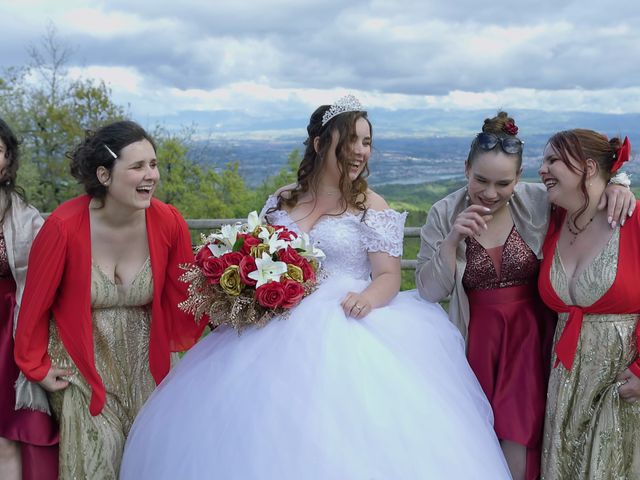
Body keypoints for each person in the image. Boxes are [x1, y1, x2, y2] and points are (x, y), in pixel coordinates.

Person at [120, 96, 512, 479]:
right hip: (274, 327)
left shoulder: (371, 206)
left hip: (349, 323)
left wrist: (367, 299)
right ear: (321, 143)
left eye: (367, 141)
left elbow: (389, 277)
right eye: (351, 140)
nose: (361, 151)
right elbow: (260, 260)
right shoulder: (281, 201)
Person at [415, 112, 635, 480]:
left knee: (522, 434)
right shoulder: (442, 213)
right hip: (478, 342)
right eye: (480, 180)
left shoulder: (536, 200)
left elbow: (585, 196)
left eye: (503, 183)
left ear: (519, 179)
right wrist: (452, 240)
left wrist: (618, 185)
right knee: (480, 435)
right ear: (466, 168)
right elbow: (429, 289)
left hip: (532, 338)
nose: (490, 193)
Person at [14, 120, 206, 479]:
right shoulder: (62, 227)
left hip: (145, 363)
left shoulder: (169, 222)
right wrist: (35, 366)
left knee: (150, 458)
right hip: (81, 362)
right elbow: (35, 303)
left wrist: (231, 303)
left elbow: (187, 295)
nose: (151, 175)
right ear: (104, 175)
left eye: (153, 164)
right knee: (97, 459)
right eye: (137, 167)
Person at [537, 130, 640, 479]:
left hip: (622, 386)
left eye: (552, 160)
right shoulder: (553, 219)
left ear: (589, 166)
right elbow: (496, 189)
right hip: (565, 387)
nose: (542, 169)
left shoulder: (633, 220)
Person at [0, 118, 58, 480]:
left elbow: (50, 281)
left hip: (8, 333)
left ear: (8, 160)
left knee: (6, 438)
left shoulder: (26, 219)